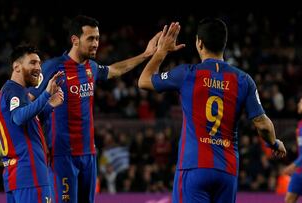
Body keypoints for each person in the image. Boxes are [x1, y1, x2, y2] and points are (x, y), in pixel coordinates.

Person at [138, 18, 287, 203]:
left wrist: (162, 51)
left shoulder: (187, 73)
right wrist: (274, 143)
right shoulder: (244, 80)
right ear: (224, 44)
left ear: (199, 43)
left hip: (194, 167)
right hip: (227, 171)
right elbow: (262, 124)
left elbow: (143, 81)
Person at [29, 15, 160, 203]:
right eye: (90, 38)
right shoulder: (53, 67)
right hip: (62, 155)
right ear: (75, 40)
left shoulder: (92, 67)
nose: (96, 43)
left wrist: (146, 55)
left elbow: (115, 70)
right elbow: (28, 102)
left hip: (89, 154)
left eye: (97, 38)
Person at [0, 44, 64, 203]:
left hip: (17, 177)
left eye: (39, 63)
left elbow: (27, 127)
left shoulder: (15, 93)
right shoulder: (14, 91)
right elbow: (19, 118)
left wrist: (48, 107)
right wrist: (46, 94)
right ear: (17, 67)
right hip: (31, 175)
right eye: (33, 63)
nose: (39, 68)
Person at [283, 98, 302, 203]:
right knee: (289, 200)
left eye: (301, 102)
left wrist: (292, 166)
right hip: (299, 172)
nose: (298, 104)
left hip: (297, 167)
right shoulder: (299, 125)